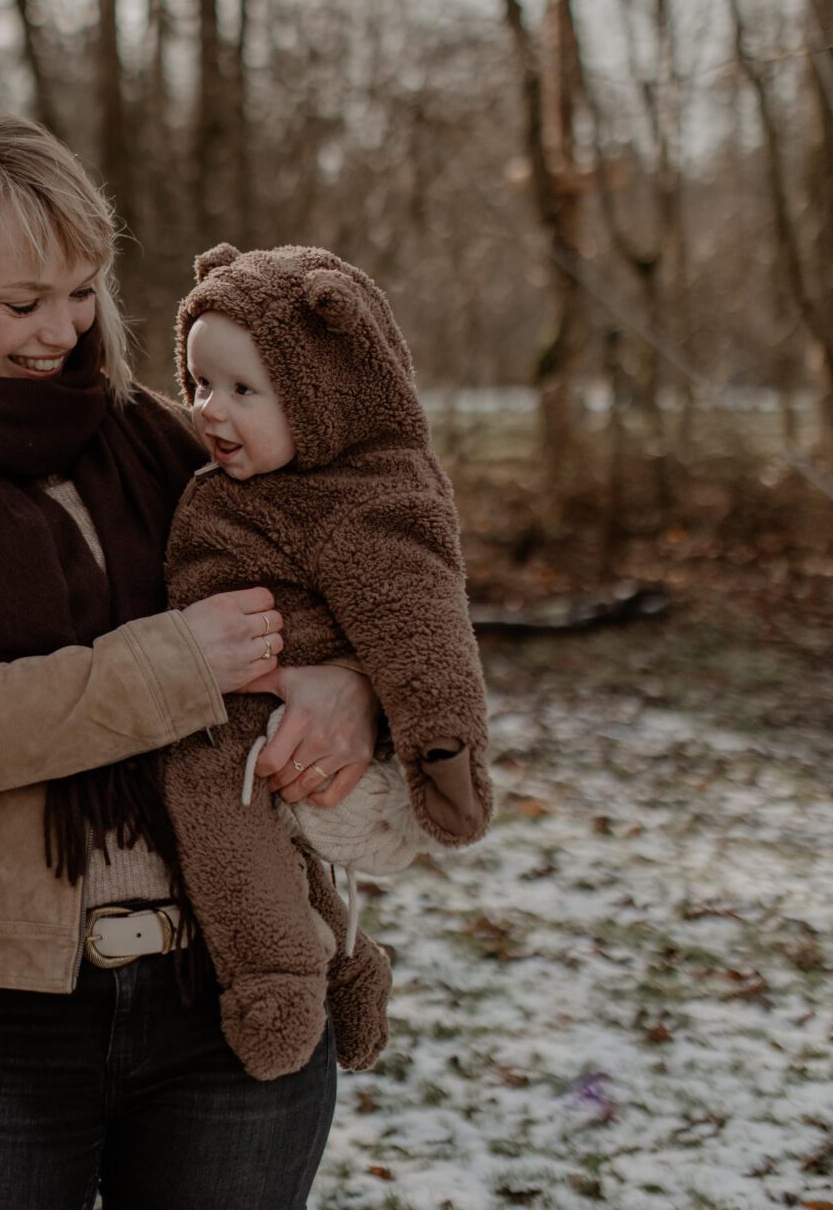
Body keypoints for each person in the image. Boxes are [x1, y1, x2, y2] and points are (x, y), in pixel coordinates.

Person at [0, 112, 376, 1210]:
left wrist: (349, 686)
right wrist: (168, 665)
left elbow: (363, 583)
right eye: (22, 302)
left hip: (229, 988)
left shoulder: (171, 439)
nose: (63, 329)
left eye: (82, 289)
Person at [162, 241, 493, 1081]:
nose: (210, 410)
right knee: (280, 853)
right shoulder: (242, 480)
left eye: (244, 390)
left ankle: (277, 976)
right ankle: (349, 969)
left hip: (261, 714)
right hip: (230, 694)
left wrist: (445, 750)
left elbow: (421, 628)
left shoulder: (365, 496)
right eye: (200, 385)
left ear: (323, 391)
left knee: (216, 812)